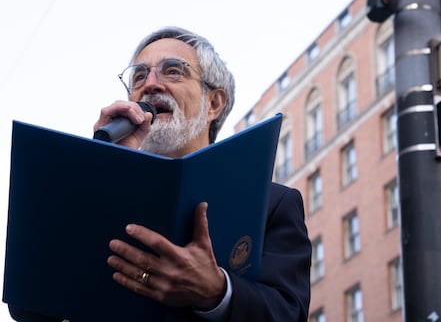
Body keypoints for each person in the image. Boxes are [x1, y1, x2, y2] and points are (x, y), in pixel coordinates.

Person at [93, 26, 311, 321]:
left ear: (213, 103)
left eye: (172, 71)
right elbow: (29, 306)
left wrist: (218, 292)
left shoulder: (271, 204)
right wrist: (101, 167)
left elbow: (289, 314)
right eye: (140, 76)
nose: (151, 84)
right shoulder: (100, 184)